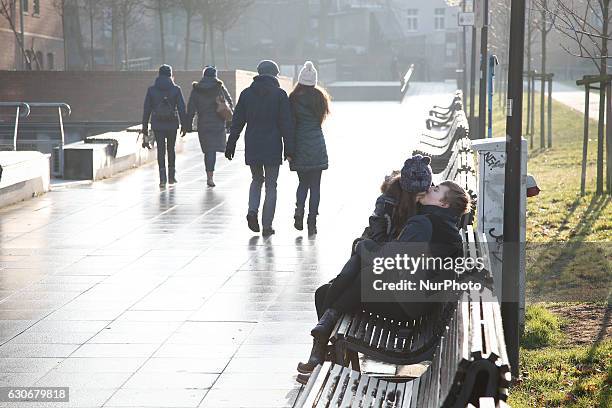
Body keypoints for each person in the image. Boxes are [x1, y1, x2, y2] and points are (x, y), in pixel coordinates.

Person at [298, 160, 472, 375]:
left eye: (436, 189)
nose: (429, 188)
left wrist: (362, 247)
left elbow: (390, 260)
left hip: (406, 308)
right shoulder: (445, 226)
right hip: (419, 305)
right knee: (355, 274)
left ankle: (324, 347)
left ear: (444, 203)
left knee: (341, 283)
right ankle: (325, 343)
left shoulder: (424, 224)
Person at [225, 60, 295, 237]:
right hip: (272, 145)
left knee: (256, 180)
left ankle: (252, 210)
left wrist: (231, 143)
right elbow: (286, 124)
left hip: (253, 143)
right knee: (271, 185)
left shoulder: (246, 94)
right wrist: (289, 149)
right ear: (273, 74)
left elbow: (237, 121)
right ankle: (267, 225)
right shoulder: (280, 95)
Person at [289, 61, 331, 236]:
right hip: (316, 144)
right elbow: (322, 119)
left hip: (299, 144)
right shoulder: (320, 98)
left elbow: (289, 124)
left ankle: (299, 210)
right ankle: (312, 221)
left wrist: (289, 150)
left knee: (302, 183)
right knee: (315, 186)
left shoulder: (292, 99)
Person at [186, 66, 234, 187]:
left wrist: (188, 125)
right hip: (218, 122)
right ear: (215, 75)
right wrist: (229, 121)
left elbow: (191, 108)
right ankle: (211, 176)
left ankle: (209, 177)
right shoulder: (219, 87)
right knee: (213, 150)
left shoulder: (196, 89)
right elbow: (229, 102)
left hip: (203, 123)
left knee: (208, 151)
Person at [142, 64, 187, 188]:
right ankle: (171, 177)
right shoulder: (176, 89)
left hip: (157, 124)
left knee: (160, 150)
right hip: (172, 124)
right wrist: (184, 125)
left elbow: (146, 110)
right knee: (171, 149)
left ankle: (162, 178)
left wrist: (145, 127)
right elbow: (182, 108)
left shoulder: (151, 90)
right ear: (170, 75)